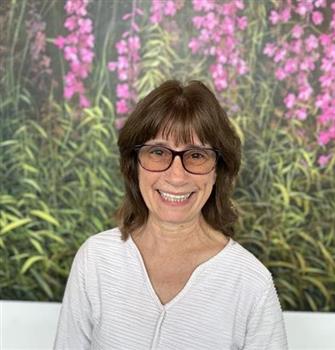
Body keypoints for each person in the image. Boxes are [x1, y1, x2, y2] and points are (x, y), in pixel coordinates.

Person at [54, 80, 288, 349]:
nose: (177, 176)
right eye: (158, 152)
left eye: (197, 155)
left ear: (218, 171)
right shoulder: (96, 260)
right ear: (134, 165)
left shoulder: (250, 282)